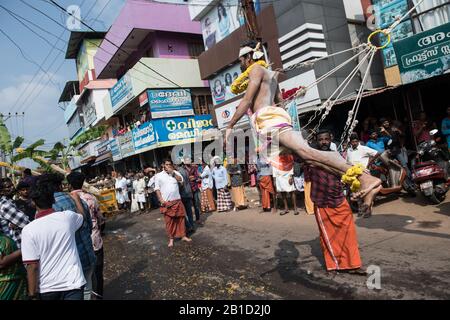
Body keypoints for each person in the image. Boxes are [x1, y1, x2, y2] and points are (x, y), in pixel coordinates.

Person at [225, 40, 381, 211]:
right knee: (309, 158)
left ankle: (366, 179)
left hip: (270, 120)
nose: (240, 63)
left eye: (240, 59)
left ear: (248, 57)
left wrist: (230, 126)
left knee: (308, 153)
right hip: (274, 120)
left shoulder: (255, 69)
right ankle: (361, 181)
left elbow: (247, 100)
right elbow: (281, 103)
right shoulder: (271, 74)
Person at [307, 130, 366, 274]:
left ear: (331, 139)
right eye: (321, 140)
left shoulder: (337, 156)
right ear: (316, 140)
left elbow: (348, 173)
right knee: (328, 236)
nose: (324, 142)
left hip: (339, 199)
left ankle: (353, 264)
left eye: (326, 139)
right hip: (322, 202)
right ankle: (334, 265)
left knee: (349, 233)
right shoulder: (309, 155)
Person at [21, 175, 86, 300]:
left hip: (47, 288)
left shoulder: (28, 230)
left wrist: (32, 294)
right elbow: (82, 217)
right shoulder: (67, 218)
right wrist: (77, 200)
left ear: (33, 202)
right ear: (53, 200)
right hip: (73, 284)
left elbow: (32, 266)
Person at [48, 174, 96, 301]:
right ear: (61, 185)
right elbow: (89, 226)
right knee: (87, 291)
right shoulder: (78, 199)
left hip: (66, 265)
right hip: (86, 256)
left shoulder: (48, 207)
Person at [66, 172, 105, 300]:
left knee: (82, 274)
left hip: (78, 243)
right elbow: (100, 218)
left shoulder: (68, 199)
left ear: (69, 184)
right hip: (95, 239)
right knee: (97, 272)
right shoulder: (91, 197)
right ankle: (98, 296)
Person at [154, 159, 192, 248]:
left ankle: (183, 236)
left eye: (170, 164)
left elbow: (181, 181)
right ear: (163, 165)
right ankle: (171, 239)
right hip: (167, 202)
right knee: (169, 222)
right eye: (167, 164)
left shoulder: (175, 173)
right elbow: (157, 189)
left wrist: (173, 173)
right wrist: (161, 200)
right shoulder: (158, 176)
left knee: (181, 219)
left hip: (177, 200)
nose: (168, 166)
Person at [0, 178, 29, 249]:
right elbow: (25, 222)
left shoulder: (10, 202)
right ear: (1, 192)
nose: (12, 187)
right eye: (8, 187)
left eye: (12, 185)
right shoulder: (5, 205)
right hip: (17, 246)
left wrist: (15, 224)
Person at [0, 230, 27, 300]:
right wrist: (20, 252)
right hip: (7, 284)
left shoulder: (4, 238)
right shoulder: (2, 239)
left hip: (14, 282)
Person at [177, 162, 195, 233]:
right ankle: (192, 226)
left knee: (182, 213)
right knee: (189, 212)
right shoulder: (185, 171)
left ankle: (188, 226)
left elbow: (181, 184)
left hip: (183, 194)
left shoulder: (178, 172)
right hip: (188, 193)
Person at [184, 158, 202, 222]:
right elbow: (183, 179)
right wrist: (190, 178)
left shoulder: (194, 168)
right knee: (188, 206)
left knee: (196, 204)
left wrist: (193, 178)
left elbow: (197, 177)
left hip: (194, 188)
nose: (188, 161)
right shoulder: (183, 169)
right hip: (187, 190)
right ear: (184, 161)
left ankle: (198, 219)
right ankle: (190, 220)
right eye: (186, 160)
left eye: (189, 160)